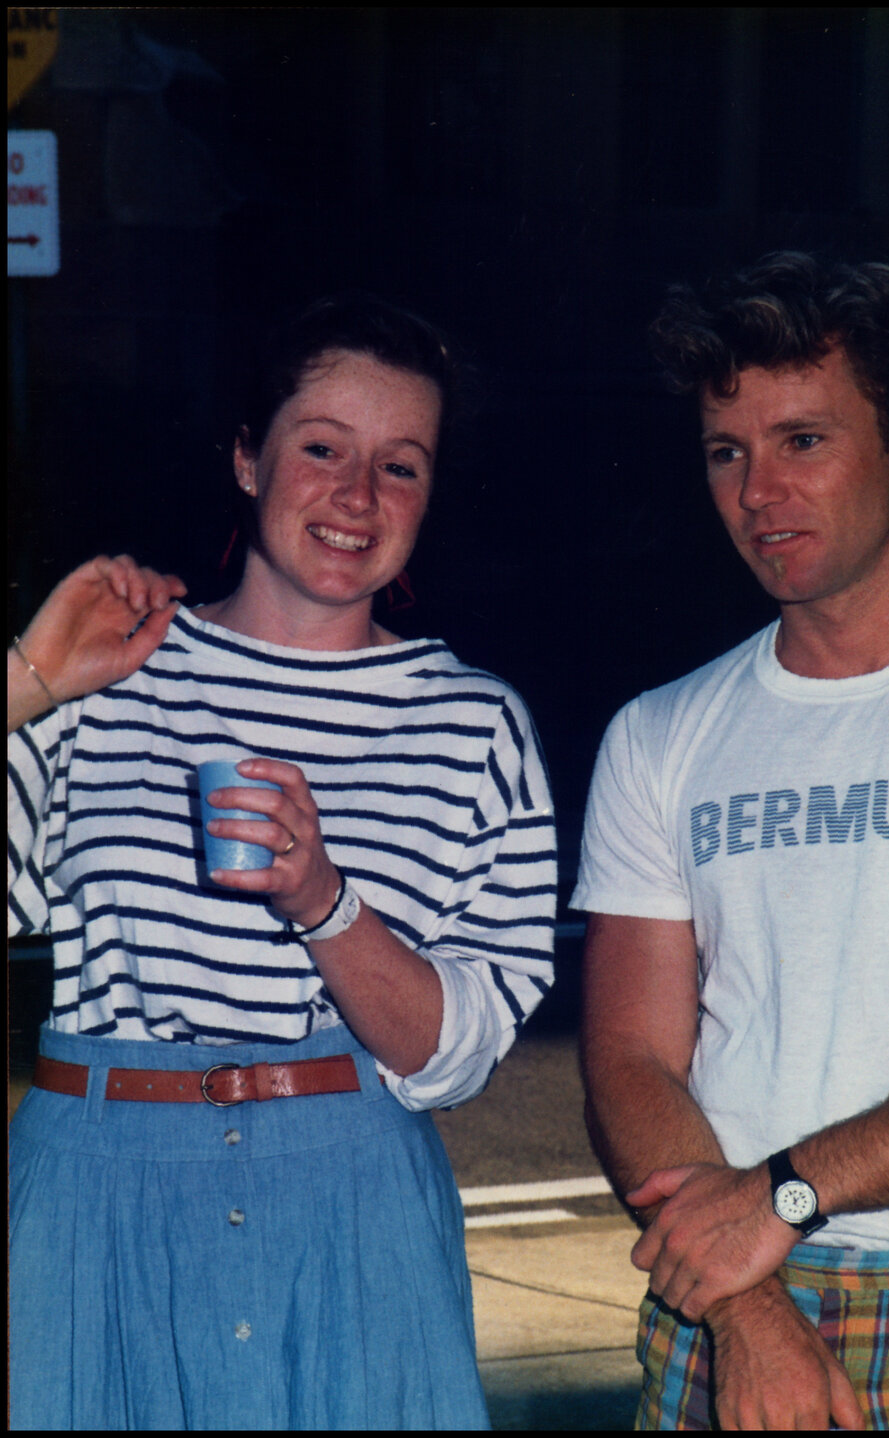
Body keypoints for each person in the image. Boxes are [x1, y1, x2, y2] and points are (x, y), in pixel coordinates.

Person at [8, 295, 557, 1431]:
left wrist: (324, 901)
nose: (358, 496)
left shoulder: (472, 725)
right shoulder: (106, 668)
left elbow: (456, 1057)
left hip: (351, 1207)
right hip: (91, 1197)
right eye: (322, 448)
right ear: (250, 456)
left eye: (400, 466)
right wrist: (24, 682)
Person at [573, 252, 889, 1431]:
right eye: (726, 451)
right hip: (731, 1301)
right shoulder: (660, 735)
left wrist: (787, 1194)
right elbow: (629, 1060)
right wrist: (747, 1312)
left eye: (802, 440)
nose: (759, 491)